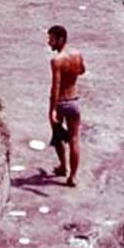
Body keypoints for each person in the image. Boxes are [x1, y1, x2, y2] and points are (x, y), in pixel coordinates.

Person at [47, 25, 86, 187]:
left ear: (60, 39)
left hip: (62, 102)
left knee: (58, 137)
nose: (49, 43)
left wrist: (52, 110)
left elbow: (55, 87)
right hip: (74, 101)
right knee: (75, 140)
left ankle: (63, 166)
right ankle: (73, 177)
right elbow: (82, 70)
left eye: (52, 40)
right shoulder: (77, 55)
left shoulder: (57, 60)